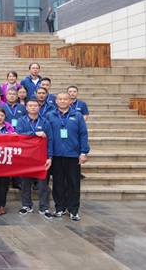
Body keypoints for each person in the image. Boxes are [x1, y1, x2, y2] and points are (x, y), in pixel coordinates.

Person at [47, 92, 90, 221]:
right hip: (57, 155)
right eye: (60, 99)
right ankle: (59, 207)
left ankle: (73, 210)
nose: (62, 101)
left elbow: (83, 134)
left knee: (73, 183)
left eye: (65, 99)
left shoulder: (77, 116)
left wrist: (83, 152)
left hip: (73, 155)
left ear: (70, 101)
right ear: (56, 101)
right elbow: (47, 136)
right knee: (58, 182)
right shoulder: (50, 115)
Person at [16, 98, 54, 219]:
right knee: (25, 183)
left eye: (35, 106)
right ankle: (26, 205)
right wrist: (34, 134)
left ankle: (44, 207)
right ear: (26, 108)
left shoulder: (45, 122)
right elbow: (18, 135)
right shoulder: (21, 121)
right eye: (30, 106)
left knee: (43, 184)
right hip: (26, 157)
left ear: (39, 107)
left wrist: (50, 157)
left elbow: (50, 140)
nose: (33, 107)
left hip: (41, 157)